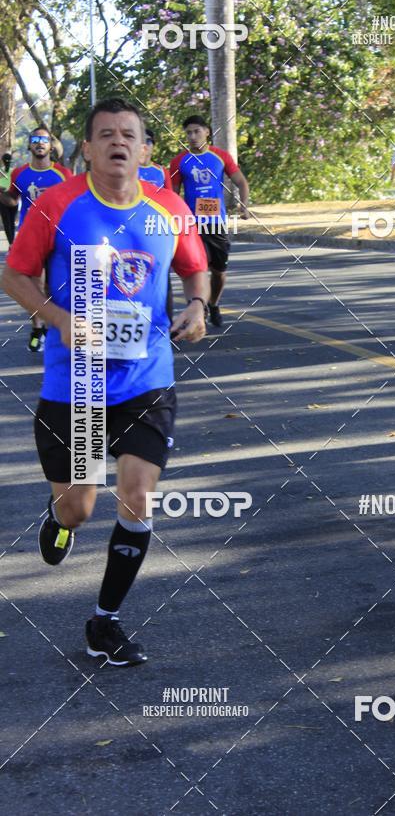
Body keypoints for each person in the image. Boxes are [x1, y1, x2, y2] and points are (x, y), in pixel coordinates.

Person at [1, 97, 208, 666]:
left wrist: (196, 305)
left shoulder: (169, 208)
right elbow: (14, 274)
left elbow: (195, 266)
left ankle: (105, 621)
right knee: (80, 509)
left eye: (130, 134)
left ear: (144, 150)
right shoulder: (57, 205)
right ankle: (57, 518)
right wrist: (62, 320)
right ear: (87, 149)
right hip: (77, 388)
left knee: (138, 496)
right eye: (106, 134)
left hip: (148, 378)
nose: (119, 141)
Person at [170, 115, 249, 328]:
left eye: (197, 131)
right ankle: (200, 307)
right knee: (198, 267)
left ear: (207, 132)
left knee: (219, 272)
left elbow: (241, 181)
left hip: (216, 222)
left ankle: (213, 303)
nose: (193, 136)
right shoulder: (179, 161)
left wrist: (244, 205)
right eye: (188, 133)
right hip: (191, 224)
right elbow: (173, 194)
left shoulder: (220, 157)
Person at [0, 126, 73, 351]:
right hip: (30, 235)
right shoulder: (19, 174)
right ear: (29, 145)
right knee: (34, 284)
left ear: (51, 146)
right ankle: (37, 329)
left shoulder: (63, 174)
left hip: (59, 235)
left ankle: (60, 326)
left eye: (44, 139)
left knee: (56, 285)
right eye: (35, 139)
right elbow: (12, 201)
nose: (39, 143)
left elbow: (73, 202)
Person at [0, 152, 17, 247]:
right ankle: (12, 242)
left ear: (2, 161)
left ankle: (11, 243)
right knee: (12, 221)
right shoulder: (14, 171)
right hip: (14, 199)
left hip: (3, 199)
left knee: (6, 222)